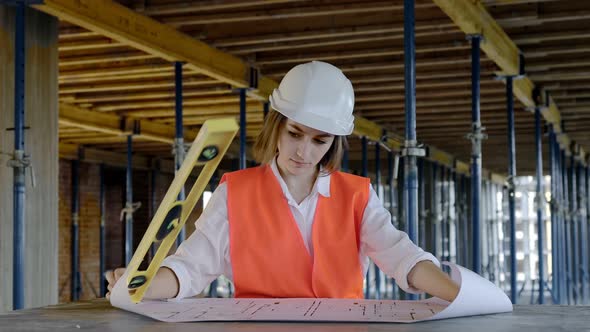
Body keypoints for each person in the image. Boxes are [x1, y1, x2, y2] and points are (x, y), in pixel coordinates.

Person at [106, 61, 459, 302]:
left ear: (333, 142)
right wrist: (141, 286)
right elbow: (191, 267)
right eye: (295, 133)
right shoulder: (235, 192)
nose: (303, 151)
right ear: (277, 125)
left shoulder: (358, 196)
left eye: (319, 140)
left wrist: (458, 296)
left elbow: (402, 257)